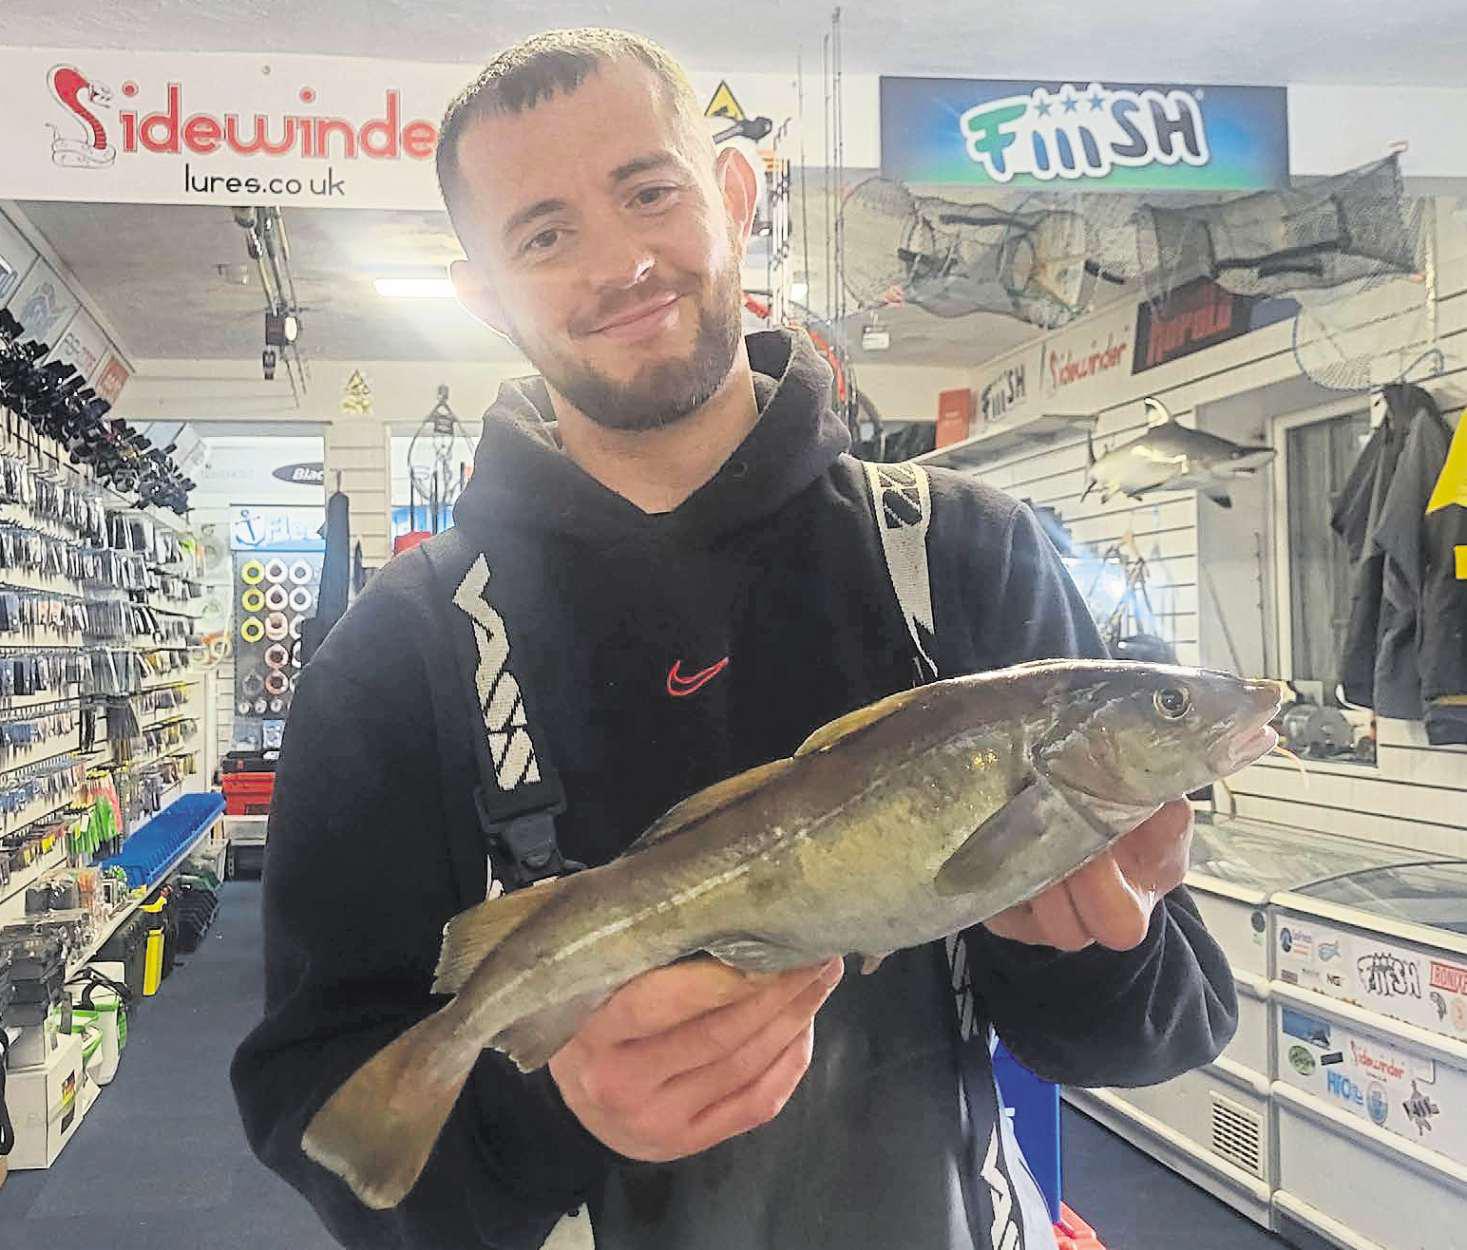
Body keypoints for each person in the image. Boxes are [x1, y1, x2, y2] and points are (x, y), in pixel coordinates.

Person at [231, 28, 1237, 1250]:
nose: (621, 261)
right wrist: (551, 1108)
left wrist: (1096, 946)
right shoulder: (392, 656)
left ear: (737, 196)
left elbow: (1163, 1023)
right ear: (482, 291)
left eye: (649, 190)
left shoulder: (972, 553)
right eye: (543, 234)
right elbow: (315, 1106)